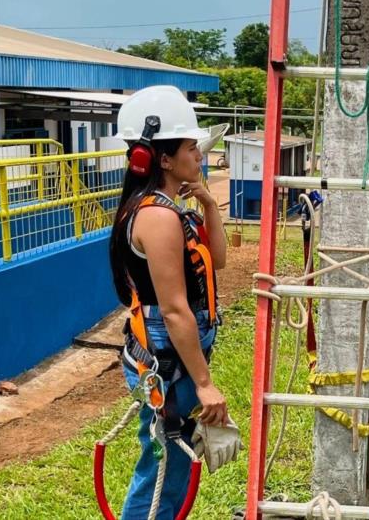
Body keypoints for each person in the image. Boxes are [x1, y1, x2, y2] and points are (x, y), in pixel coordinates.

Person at [109, 85, 240, 519]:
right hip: (167, 360)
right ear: (164, 159)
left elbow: (217, 260)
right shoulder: (158, 216)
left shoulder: (170, 209)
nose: (199, 154)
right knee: (162, 470)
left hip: (174, 356)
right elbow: (174, 309)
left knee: (173, 464)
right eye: (191, 147)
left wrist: (209, 203)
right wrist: (204, 384)